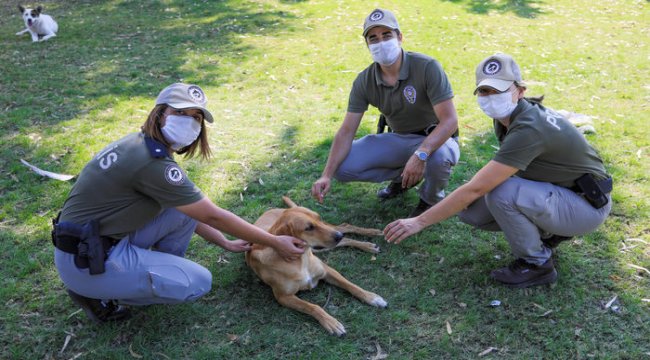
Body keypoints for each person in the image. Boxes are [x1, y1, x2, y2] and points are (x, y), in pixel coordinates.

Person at [52, 83, 305, 323]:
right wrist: (273, 241)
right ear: (160, 114)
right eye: (180, 112)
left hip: (90, 244)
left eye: (196, 117)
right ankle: (99, 293)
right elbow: (213, 215)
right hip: (87, 261)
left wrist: (224, 242)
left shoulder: (137, 144)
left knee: (181, 212)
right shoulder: (152, 163)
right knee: (197, 282)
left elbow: (192, 212)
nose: (189, 121)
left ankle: (136, 275)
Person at [384, 53, 613, 288]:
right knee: (471, 212)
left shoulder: (528, 128)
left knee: (501, 193)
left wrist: (419, 222)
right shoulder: (509, 116)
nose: (491, 97)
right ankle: (550, 234)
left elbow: (477, 188)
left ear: (520, 90)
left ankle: (537, 264)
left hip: (587, 205)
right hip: (570, 194)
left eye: (500, 90)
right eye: (484, 91)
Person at [311, 8, 460, 217]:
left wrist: (421, 154)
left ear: (400, 37)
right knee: (341, 167)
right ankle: (402, 179)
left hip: (438, 138)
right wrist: (325, 175)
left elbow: (450, 120)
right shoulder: (364, 80)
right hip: (400, 138)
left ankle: (430, 200)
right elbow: (346, 131)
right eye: (373, 38)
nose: (380, 42)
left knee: (439, 157)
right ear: (367, 45)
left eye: (386, 35)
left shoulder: (427, 66)